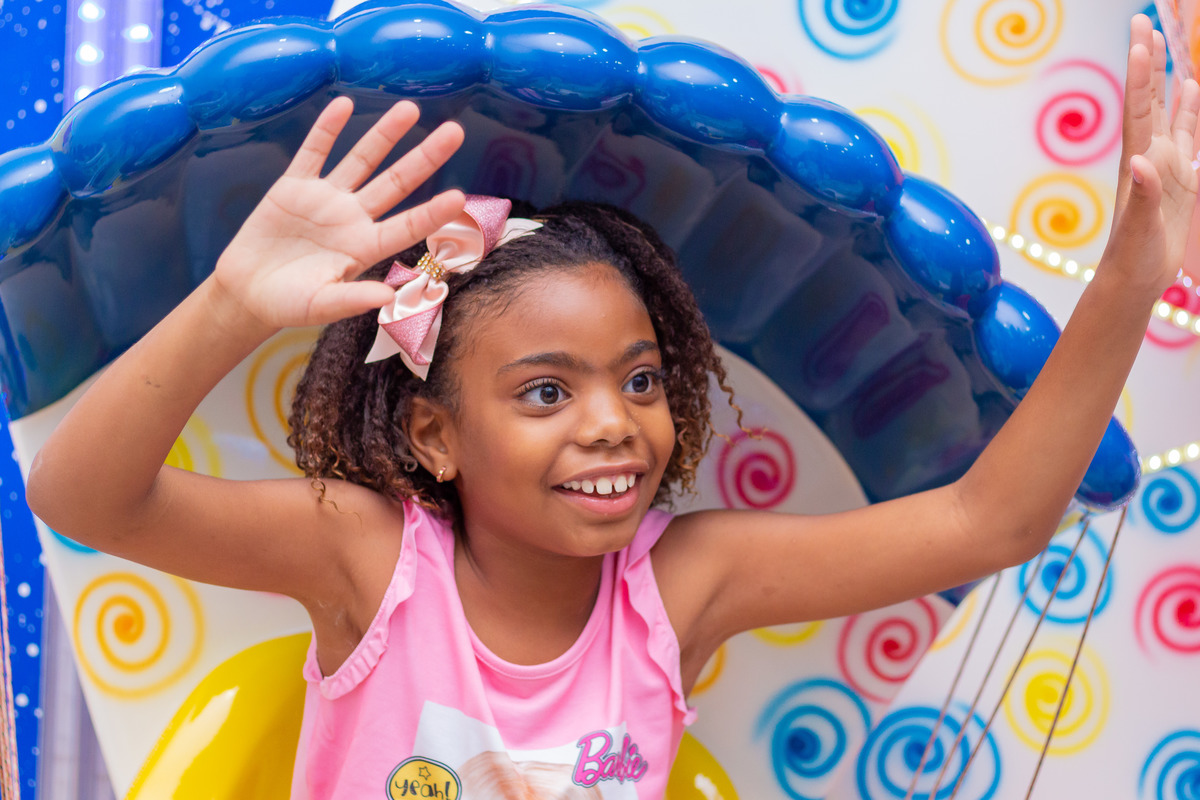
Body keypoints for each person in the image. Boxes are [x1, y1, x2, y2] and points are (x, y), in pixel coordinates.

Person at [25, 14, 1198, 800]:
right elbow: (81, 495)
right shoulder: (368, 559)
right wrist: (232, 302)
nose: (611, 422)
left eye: (640, 378)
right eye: (547, 389)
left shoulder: (683, 587)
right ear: (435, 432)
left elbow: (988, 523)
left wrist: (1132, 276)